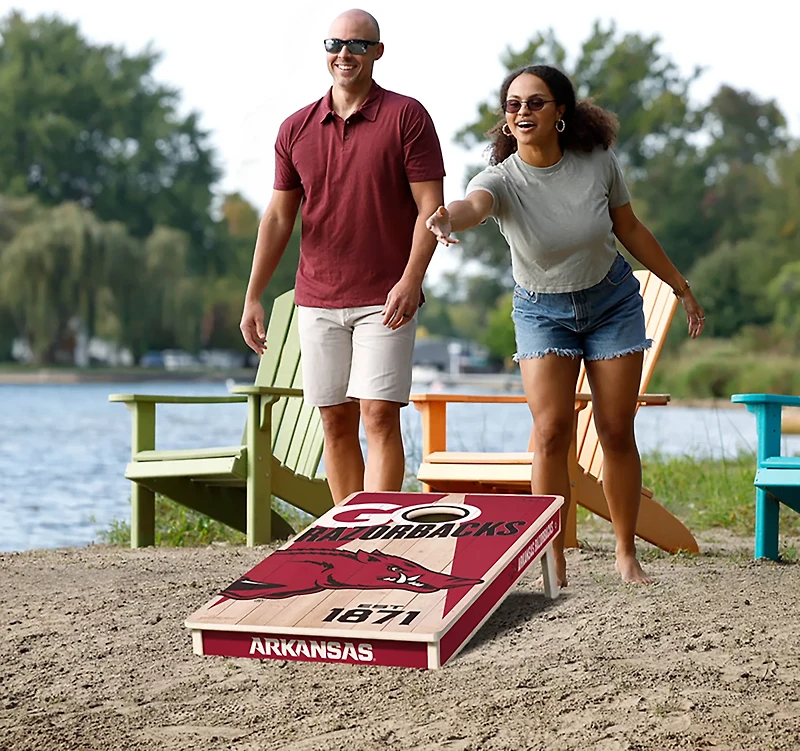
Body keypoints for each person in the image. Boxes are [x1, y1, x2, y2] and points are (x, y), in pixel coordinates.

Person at [426, 65, 705, 585]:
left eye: (535, 102)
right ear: (505, 121)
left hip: (612, 304)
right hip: (541, 311)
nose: (523, 112)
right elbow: (472, 206)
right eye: (513, 105)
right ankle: (551, 558)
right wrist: (446, 218)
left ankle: (625, 554)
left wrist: (679, 286)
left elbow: (630, 228)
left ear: (560, 112)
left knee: (616, 430)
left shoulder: (597, 162)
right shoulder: (500, 179)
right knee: (552, 431)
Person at [240, 9, 445, 505]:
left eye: (357, 45)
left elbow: (431, 209)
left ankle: (378, 533)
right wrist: (252, 296)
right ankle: (348, 537)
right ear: (325, 51)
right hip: (318, 297)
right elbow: (277, 219)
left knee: (378, 414)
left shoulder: (406, 116)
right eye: (335, 44)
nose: (344, 54)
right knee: (334, 418)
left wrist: (411, 280)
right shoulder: (295, 128)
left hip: (386, 297)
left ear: (378, 51)